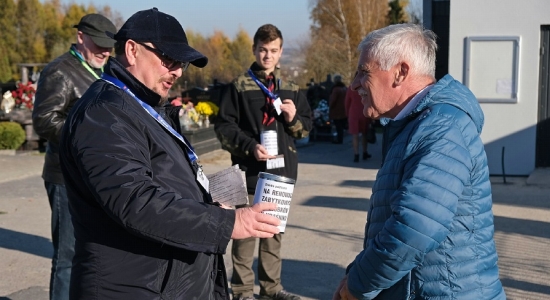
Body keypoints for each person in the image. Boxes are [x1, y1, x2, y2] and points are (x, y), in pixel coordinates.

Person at [58, 8, 281, 299]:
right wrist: (228, 223)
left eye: (181, 63)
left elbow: (163, 180)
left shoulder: (140, 106)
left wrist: (206, 202)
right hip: (131, 286)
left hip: (163, 279)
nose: (176, 70)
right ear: (132, 50)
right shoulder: (105, 113)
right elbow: (135, 200)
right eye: (168, 59)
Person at [333, 23, 506, 300]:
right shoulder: (414, 125)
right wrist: (356, 274)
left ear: (400, 72)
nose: (354, 85)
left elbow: (415, 228)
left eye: (364, 72)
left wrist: (358, 284)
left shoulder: (442, 127)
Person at [215, 24, 312, 300]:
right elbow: (224, 128)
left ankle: (272, 289)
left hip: (280, 175)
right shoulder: (238, 86)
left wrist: (293, 119)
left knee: (272, 236)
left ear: (281, 52)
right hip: (249, 172)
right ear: (254, 50)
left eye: (273, 51)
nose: (267, 56)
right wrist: (249, 146)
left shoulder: (291, 88)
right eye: (262, 50)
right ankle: (243, 291)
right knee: (244, 235)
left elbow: (306, 128)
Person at [32, 13, 116, 300]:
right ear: (80, 37)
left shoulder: (105, 70)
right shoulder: (60, 71)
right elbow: (44, 120)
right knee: (68, 254)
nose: (105, 51)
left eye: (109, 45)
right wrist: (84, 141)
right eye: (99, 44)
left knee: (91, 251)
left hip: (97, 175)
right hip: (65, 176)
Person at [344, 83, 371, 162]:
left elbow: (347, 102)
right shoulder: (367, 87)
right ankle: (364, 152)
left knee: (355, 135)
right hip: (364, 112)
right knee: (364, 134)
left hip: (353, 113)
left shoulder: (351, 88)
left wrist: (347, 114)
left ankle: (356, 154)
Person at [328, 75, 348, 144]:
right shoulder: (345, 88)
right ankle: (340, 138)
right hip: (344, 110)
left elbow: (333, 100)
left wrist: (330, 107)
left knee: (338, 126)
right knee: (341, 126)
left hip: (336, 110)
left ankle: (339, 140)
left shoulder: (336, 89)